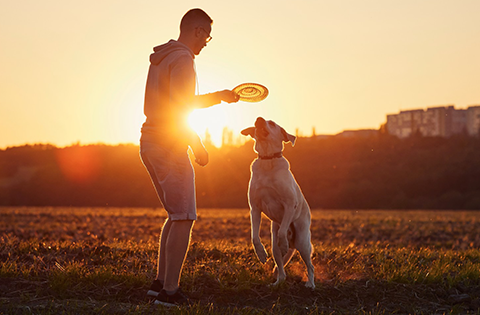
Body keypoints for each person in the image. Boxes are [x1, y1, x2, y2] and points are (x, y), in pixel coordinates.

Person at [139, 8, 239, 307]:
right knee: (184, 217)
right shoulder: (183, 58)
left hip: (149, 140)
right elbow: (180, 107)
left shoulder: (163, 56)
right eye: (207, 35)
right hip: (169, 143)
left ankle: (159, 284)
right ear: (196, 30)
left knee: (175, 214)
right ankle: (170, 293)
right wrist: (197, 142)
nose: (207, 42)